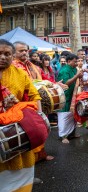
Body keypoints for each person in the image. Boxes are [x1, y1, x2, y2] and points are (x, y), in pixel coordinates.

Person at [0, 39, 42, 191]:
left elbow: (34, 95)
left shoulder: (20, 73)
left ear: (12, 57)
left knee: (20, 169)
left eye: (7, 54)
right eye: (0, 53)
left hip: (16, 128)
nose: (3, 57)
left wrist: (39, 117)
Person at [57, 54, 83, 144]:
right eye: (75, 61)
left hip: (73, 95)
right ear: (69, 61)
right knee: (64, 116)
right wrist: (77, 76)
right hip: (65, 96)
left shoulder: (74, 69)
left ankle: (72, 134)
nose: (76, 63)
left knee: (72, 116)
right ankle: (63, 136)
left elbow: (77, 81)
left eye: (77, 61)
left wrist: (80, 76)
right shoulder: (64, 70)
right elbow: (66, 83)